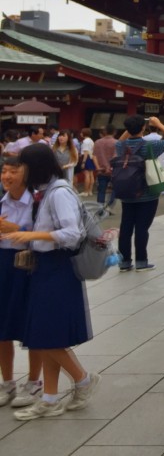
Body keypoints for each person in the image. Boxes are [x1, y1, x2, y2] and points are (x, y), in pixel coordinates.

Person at [1, 144, 100, 420]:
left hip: (57, 268)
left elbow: (72, 233)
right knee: (45, 336)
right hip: (46, 268)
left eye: (22, 167)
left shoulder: (58, 193)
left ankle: (82, 380)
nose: (19, 172)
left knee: (46, 336)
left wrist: (31, 236)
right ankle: (49, 398)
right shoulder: (48, 190)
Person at [0, 156, 44, 410]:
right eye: (4, 171)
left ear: (25, 174)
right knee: (2, 328)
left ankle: (34, 381)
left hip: (28, 266)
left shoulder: (38, 202)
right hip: (3, 264)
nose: (7, 176)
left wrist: (13, 227)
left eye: (13, 172)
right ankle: (7, 382)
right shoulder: (1, 200)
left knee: (31, 326)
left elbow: (47, 238)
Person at [115, 116, 164, 271]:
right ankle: (141, 261)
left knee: (125, 228)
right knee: (142, 228)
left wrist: (130, 127)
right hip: (147, 193)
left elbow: (120, 140)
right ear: (143, 128)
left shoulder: (121, 146)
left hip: (127, 193)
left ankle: (124, 262)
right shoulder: (151, 145)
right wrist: (159, 124)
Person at [92, 125, 117, 217]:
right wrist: (109, 167)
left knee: (101, 190)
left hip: (101, 170)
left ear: (105, 132)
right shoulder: (116, 143)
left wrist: (98, 167)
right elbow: (116, 156)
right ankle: (109, 206)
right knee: (115, 190)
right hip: (113, 171)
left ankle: (100, 208)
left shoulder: (97, 142)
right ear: (114, 132)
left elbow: (94, 156)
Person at [78, 128, 95, 195]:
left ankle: (85, 191)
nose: (80, 134)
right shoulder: (91, 141)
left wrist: (83, 162)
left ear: (84, 133)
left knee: (87, 174)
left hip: (86, 157)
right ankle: (90, 191)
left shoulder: (85, 141)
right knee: (91, 174)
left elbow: (85, 152)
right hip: (91, 157)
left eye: (81, 132)